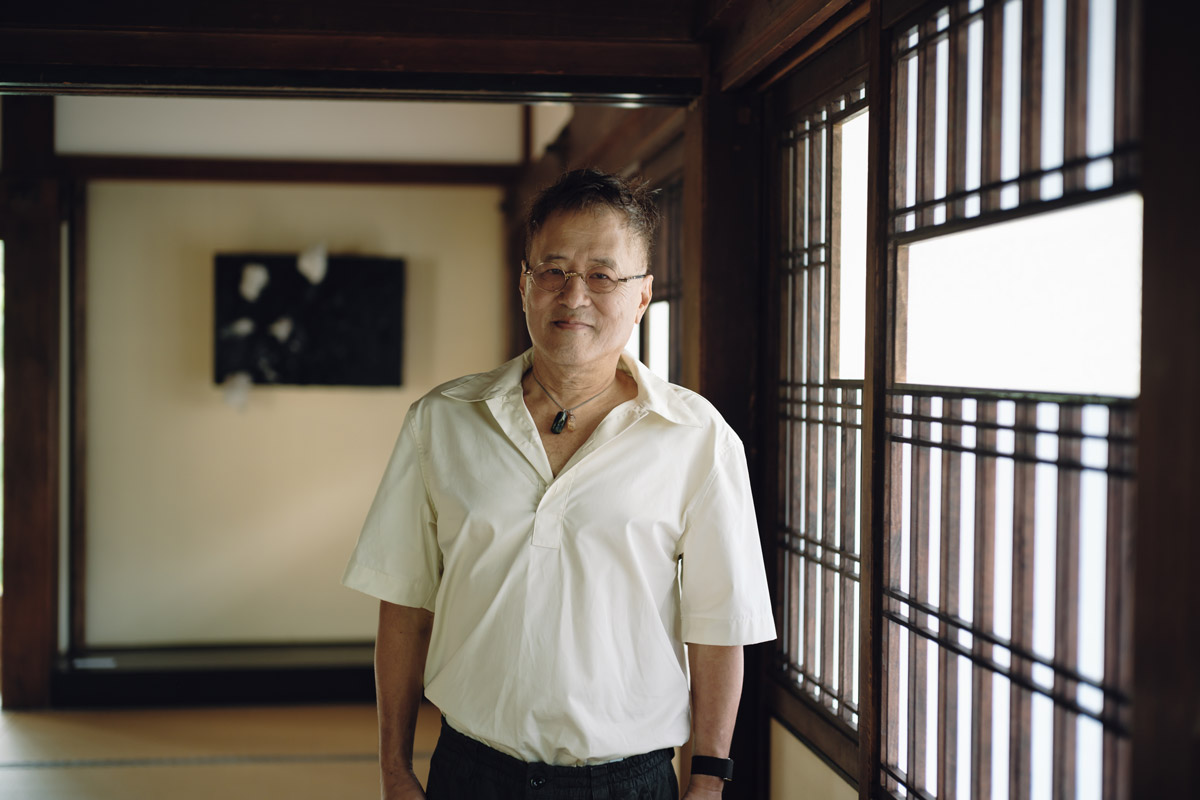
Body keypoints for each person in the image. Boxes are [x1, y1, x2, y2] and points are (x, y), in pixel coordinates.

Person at [343, 168, 775, 800]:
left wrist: (707, 783)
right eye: (553, 270)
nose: (574, 296)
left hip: (630, 781)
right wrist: (392, 767)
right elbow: (405, 605)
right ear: (524, 284)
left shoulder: (697, 437)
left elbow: (718, 626)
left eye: (603, 275)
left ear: (642, 295)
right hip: (470, 772)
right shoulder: (442, 422)